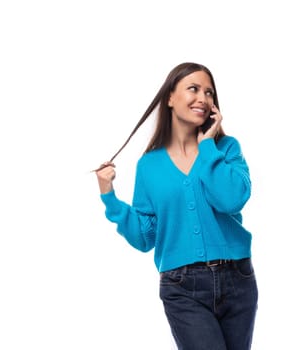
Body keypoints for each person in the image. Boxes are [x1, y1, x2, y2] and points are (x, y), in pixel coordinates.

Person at [94, 62, 258, 350]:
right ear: (170, 98)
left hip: (238, 280)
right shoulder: (149, 165)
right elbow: (146, 237)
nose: (203, 99)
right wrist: (109, 197)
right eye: (193, 89)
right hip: (182, 287)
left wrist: (207, 145)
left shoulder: (226, 149)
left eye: (209, 92)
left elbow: (231, 198)